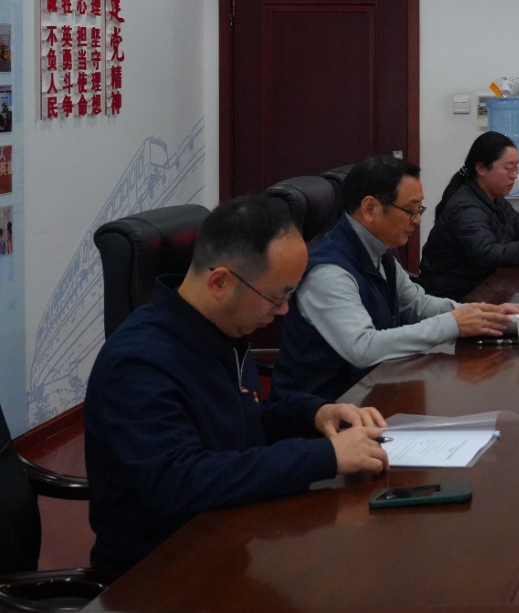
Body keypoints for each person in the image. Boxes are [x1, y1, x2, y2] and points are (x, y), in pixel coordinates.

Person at [83, 196, 389, 575]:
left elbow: (241, 424)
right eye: (277, 296)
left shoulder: (221, 329)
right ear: (220, 282)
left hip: (229, 538)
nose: (283, 311)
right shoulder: (138, 362)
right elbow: (180, 482)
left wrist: (314, 413)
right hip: (158, 571)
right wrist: (323, 456)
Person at [271, 154, 519, 400]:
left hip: (374, 392)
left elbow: (418, 305)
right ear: (370, 208)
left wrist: (486, 314)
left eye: (419, 209)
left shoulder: (378, 251)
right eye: (410, 210)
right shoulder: (328, 273)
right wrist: (453, 324)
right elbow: (363, 348)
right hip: (324, 412)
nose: (417, 221)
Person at [419, 131, 519, 300]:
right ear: (481, 168)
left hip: (485, 292)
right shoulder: (465, 207)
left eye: (516, 168)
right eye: (508, 168)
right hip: (455, 299)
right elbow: (488, 255)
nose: (514, 175)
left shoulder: (495, 199)